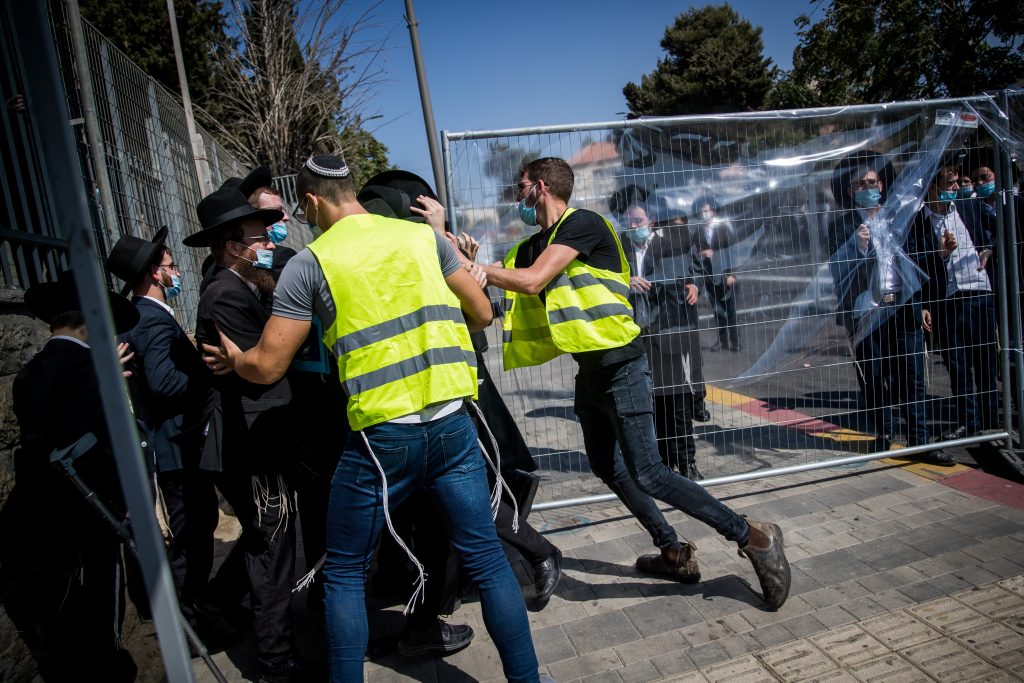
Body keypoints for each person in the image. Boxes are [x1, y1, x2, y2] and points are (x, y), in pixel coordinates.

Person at [202, 154, 546, 682]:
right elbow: (482, 312)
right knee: (486, 558)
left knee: (343, 572)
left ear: (314, 200)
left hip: (383, 440)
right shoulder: (422, 240)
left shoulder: (309, 264)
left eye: (303, 208)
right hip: (454, 423)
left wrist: (235, 360)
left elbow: (268, 365)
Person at [472, 157, 791, 609]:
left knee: (650, 472)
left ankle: (753, 536)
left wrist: (476, 268)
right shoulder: (533, 244)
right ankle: (673, 550)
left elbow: (530, 281)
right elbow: (497, 275)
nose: (515, 197)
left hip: (622, 366)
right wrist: (461, 254)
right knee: (607, 464)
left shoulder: (581, 224)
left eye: (519, 187)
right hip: (591, 373)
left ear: (539, 187)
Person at [358, 169, 563, 610]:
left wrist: (445, 244)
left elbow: (481, 315)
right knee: (447, 501)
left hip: (460, 391)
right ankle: (450, 593)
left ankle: (536, 555)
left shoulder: (436, 245)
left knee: (473, 490)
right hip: (424, 395)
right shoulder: (397, 253)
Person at [0, 270, 140, 681]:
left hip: (41, 520)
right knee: (100, 618)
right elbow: (112, 449)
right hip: (90, 517)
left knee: (62, 623)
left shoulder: (29, 373)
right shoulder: (95, 372)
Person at [185, 186, 298, 683]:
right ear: (233, 246)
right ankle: (275, 662)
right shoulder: (224, 294)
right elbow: (264, 367)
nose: (266, 242)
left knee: (270, 543)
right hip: (251, 445)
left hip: (261, 439)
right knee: (270, 550)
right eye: (257, 236)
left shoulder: (245, 284)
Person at [106, 229, 227, 636]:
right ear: (156, 273)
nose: (177, 273)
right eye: (172, 266)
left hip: (172, 442)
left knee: (196, 526)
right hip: (177, 444)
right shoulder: (151, 319)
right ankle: (187, 624)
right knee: (192, 533)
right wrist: (208, 373)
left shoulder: (139, 316)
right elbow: (163, 382)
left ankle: (195, 609)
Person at [827, 151, 954, 465]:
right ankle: (883, 435)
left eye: (872, 182)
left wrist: (923, 302)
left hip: (903, 308)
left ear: (882, 185)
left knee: (913, 377)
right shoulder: (841, 226)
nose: (867, 188)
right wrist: (857, 246)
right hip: (866, 313)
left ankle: (920, 441)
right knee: (873, 376)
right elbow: (837, 272)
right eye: (860, 184)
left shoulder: (900, 217)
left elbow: (918, 261)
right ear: (849, 191)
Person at [911, 161, 999, 440]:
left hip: (979, 292)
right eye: (950, 184)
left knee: (985, 359)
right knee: (957, 363)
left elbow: (999, 228)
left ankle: (991, 417)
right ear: (934, 187)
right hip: (946, 299)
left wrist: (988, 249)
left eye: (958, 183)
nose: (956, 188)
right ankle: (968, 420)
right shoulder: (919, 223)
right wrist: (940, 254)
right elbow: (915, 264)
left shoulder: (970, 208)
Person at [621, 202, 707, 480]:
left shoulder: (673, 242)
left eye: (638, 220)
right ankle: (663, 462)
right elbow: (607, 279)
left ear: (652, 220)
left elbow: (693, 267)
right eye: (629, 222)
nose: (633, 226)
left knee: (678, 398)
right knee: (651, 401)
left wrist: (694, 283)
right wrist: (627, 281)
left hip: (670, 328)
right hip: (638, 333)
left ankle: (687, 461)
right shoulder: (620, 249)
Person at [692, 192, 741, 352]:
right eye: (702, 211)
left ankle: (735, 340)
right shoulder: (698, 231)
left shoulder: (722, 228)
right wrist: (703, 254)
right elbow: (694, 252)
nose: (704, 214)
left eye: (707, 210)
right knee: (717, 310)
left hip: (724, 274)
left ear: (713, 211)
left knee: (731, 310)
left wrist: (731, 273)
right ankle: (722, 340)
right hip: (709, 276)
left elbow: (732, 252)